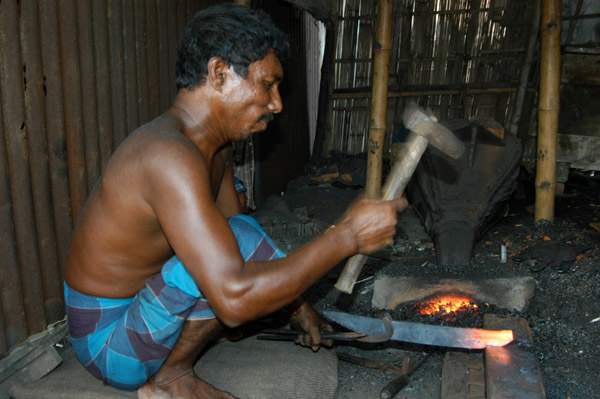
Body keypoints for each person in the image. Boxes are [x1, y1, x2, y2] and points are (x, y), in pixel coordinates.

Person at [63, 3, 407, 399]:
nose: (277, 103)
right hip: (107, 342)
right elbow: (232, 298)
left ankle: (171, 366)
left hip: (145, 309)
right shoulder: (167, 156)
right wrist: (345, 237)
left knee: (239, 231)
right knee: (224, 270)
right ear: (219, 73)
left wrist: (295, 305)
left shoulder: (215, 148)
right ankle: (170, 377)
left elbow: (241, 243)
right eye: (267, 84)